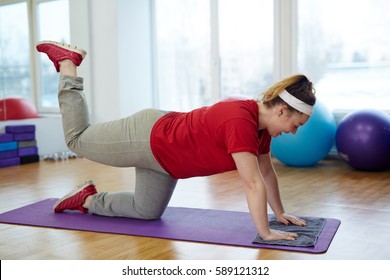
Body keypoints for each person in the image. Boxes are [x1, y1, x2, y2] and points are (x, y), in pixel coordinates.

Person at [36, 40, 316, 242]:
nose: (293, 132)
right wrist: (265, 232)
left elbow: (266, 172)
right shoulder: (240, 120)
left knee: (145, 212)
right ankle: (68, 64)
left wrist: (279, 213)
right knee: (76, 140)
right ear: (281, 110)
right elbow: (252, 182)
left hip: (165, 164)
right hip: (148, 137)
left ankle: (87, 200)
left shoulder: (261, 130)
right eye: (295, 124)